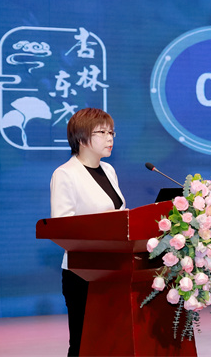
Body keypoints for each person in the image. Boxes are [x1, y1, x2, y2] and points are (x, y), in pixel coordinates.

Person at [50, 108, 126, 357]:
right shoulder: (65, 174)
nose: (109, 138)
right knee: (84, 345)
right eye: (102, 132)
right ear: (81, 138)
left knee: (112, 343)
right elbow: (62, 228)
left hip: (115, 269)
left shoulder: (109, 170)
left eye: (111, 132)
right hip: (83, 273)